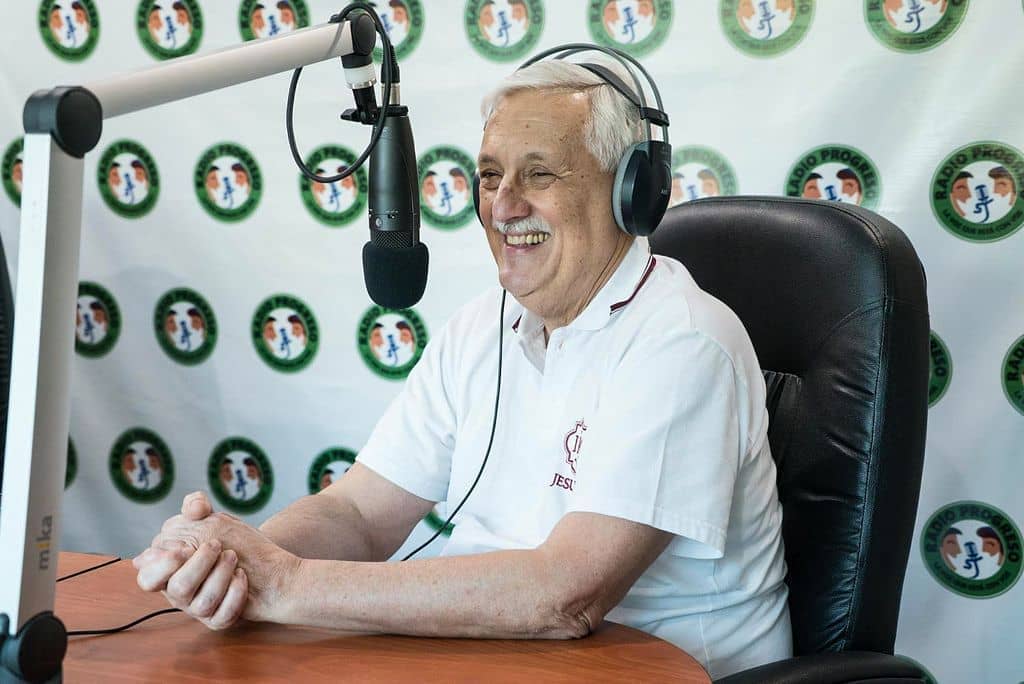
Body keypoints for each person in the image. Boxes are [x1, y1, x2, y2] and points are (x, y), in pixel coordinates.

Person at [133, 55, 790, 680]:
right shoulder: (480, 327)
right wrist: (236, 562)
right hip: (494, 659)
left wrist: (287, 584)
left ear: (630, 192)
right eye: (491, 175)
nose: (503, 205)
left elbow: (566, 597)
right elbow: (359, 514)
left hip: (659, 672)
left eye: (539, 174)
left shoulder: (683, 342)